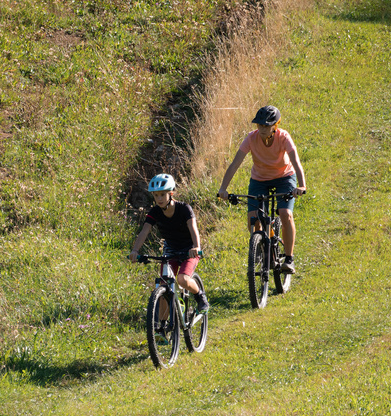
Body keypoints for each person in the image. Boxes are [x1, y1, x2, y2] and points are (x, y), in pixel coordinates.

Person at [217, 105, 307, 274]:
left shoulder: (283, 137)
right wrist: (223, 188)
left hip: (284, 177)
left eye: (266, 125)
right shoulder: (251, 138)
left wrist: (301, 185)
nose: (262, 129)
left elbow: (295, 161)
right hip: (259, 180)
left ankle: (289, 259)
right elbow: (235, 164)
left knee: (285, 213)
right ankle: (261, 249)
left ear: (275, 126)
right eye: (260, 125)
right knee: (253, 219)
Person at [128, 173, 209, 313]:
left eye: (162, 194)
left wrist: (196, 247)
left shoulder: (184, 209)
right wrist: (135, 250)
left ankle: (200, 297)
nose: (159, 199)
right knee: (163, 286)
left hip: (189, 249)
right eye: (156, 195)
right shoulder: (155, 212)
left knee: (182, 279)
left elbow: (193, 228)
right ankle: (162, 329)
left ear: (171, 193)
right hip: (170, 249)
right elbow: (144, 231)